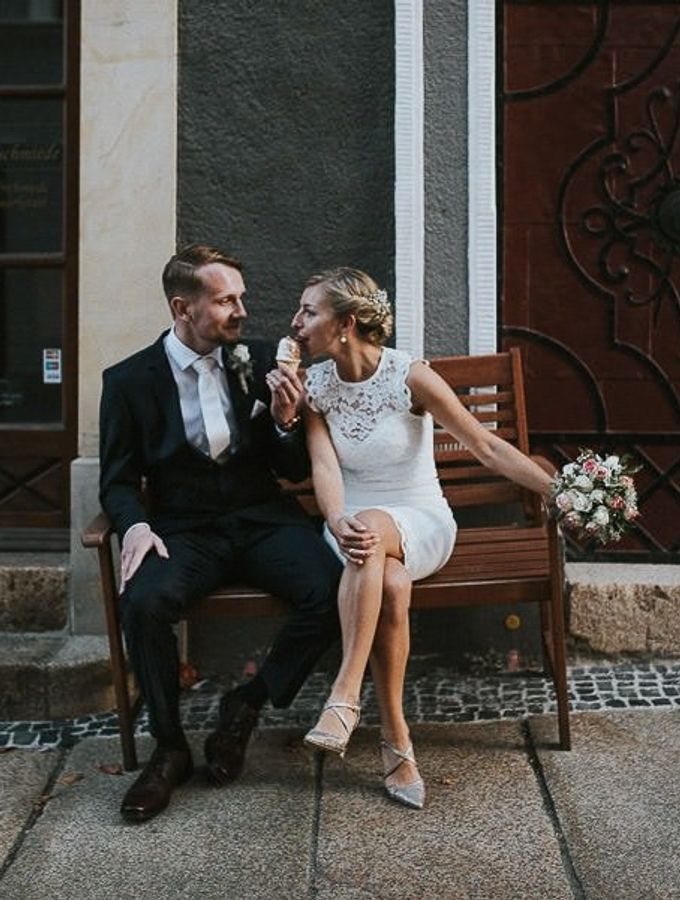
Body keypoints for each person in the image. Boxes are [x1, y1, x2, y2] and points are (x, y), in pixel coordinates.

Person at [284, 267, 554, 810]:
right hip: (351, 523)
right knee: (388, 580)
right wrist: (335, 520)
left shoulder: (409, 375)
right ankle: (397, 742)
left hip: (421, 518)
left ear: (347, 323)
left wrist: (560, 490)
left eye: (309, 311)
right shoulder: (314, 387)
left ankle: (344, 694)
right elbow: (324, 469)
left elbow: (485, 447)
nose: (295, 322)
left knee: (373, 533)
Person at [99, 244, 342, 823]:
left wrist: (285, 423)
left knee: (335, 586)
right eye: (226, 300)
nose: (241, 311)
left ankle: (246, 706)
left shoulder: (259, 359)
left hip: (262, 519)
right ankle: (170, 748)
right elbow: (116, 479)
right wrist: (133, 525)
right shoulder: (129, 381)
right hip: (185, 531)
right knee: (144, 601)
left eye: (242, 298)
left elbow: (292, 470)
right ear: (183, 307)